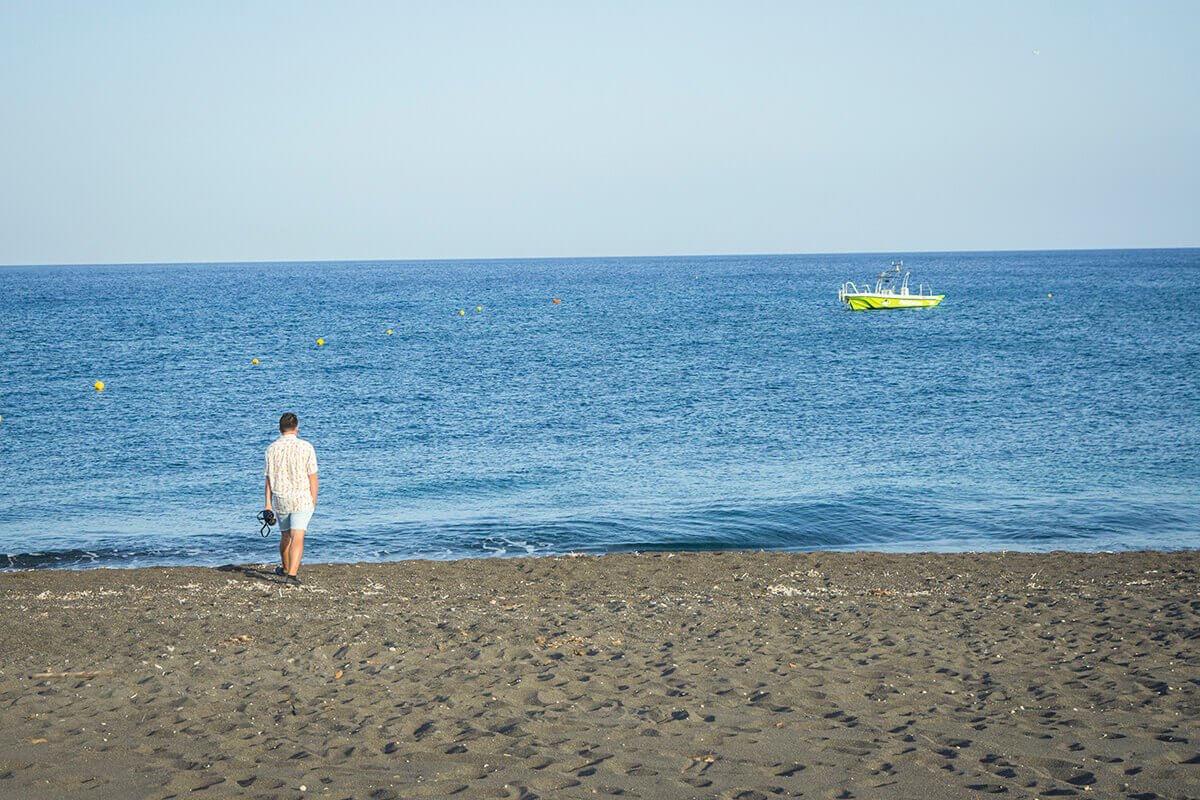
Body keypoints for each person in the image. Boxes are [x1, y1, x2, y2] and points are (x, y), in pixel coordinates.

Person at [264, 412, 318, 585]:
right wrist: (313, 500)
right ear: (297, 428)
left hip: (281, 498)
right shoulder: (306, 447)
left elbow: (268, 479)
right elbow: (313, 477)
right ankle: (292, 575)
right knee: (298, 536)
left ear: (280, 429)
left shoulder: (271, 449)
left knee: (286, 535)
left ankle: (286, 568)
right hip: (302, 497)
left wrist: (267, 504)